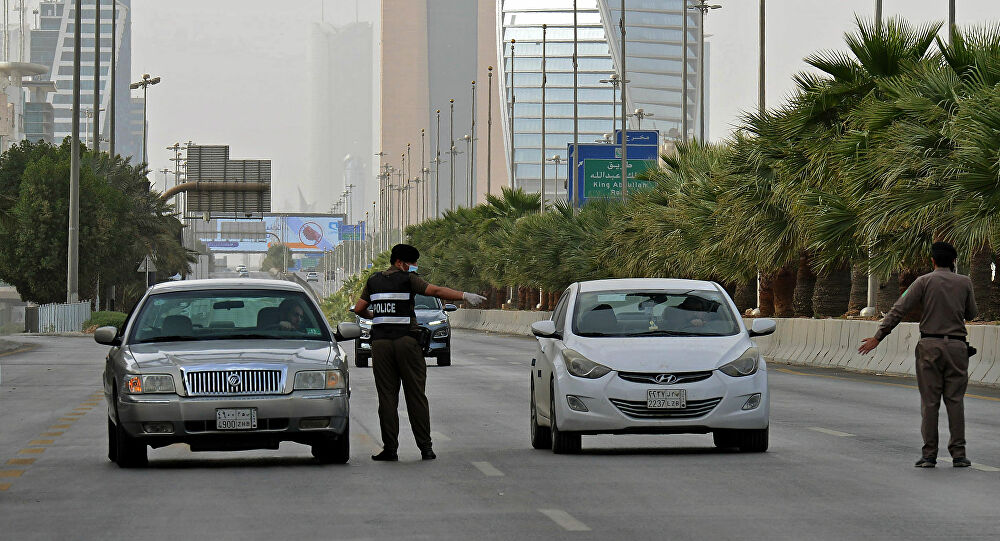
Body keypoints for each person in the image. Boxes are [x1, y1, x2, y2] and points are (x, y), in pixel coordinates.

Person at [352, 244, 486, 461]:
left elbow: (359, 309)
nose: (414, 266)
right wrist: (463, 295)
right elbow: (435, 291)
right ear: (400, 263)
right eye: (412, 263)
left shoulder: (373, 281)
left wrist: (375, 316)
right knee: (416, 396)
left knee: (387, 398)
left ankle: (390, 449)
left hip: (381, 344)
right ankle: (425, 448)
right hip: (406, 341)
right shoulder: (408, 279)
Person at [858, 242, 977, 468]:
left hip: (930, 346)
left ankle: (929, 455)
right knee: (955, 401)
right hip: (957, 347)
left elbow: (898, 310)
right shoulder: (965, 282)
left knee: (930, 403)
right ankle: (959, 455)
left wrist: (878, 336)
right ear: (954, 261)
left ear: (932, 261)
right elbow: (972, 313)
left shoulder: (923, 282)